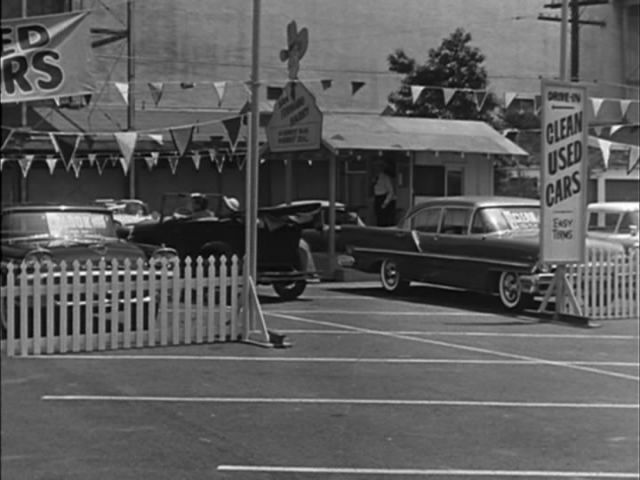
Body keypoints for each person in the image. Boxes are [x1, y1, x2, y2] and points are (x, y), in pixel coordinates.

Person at [371, 162, 396, 226]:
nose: (375, 169)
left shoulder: (385, 177)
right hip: (377, 198)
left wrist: (385, 202)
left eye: (377, 167)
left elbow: (391, 191)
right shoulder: (374, 177)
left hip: (383, 198)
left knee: (384, 219)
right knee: (378, 217)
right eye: (375, 167)